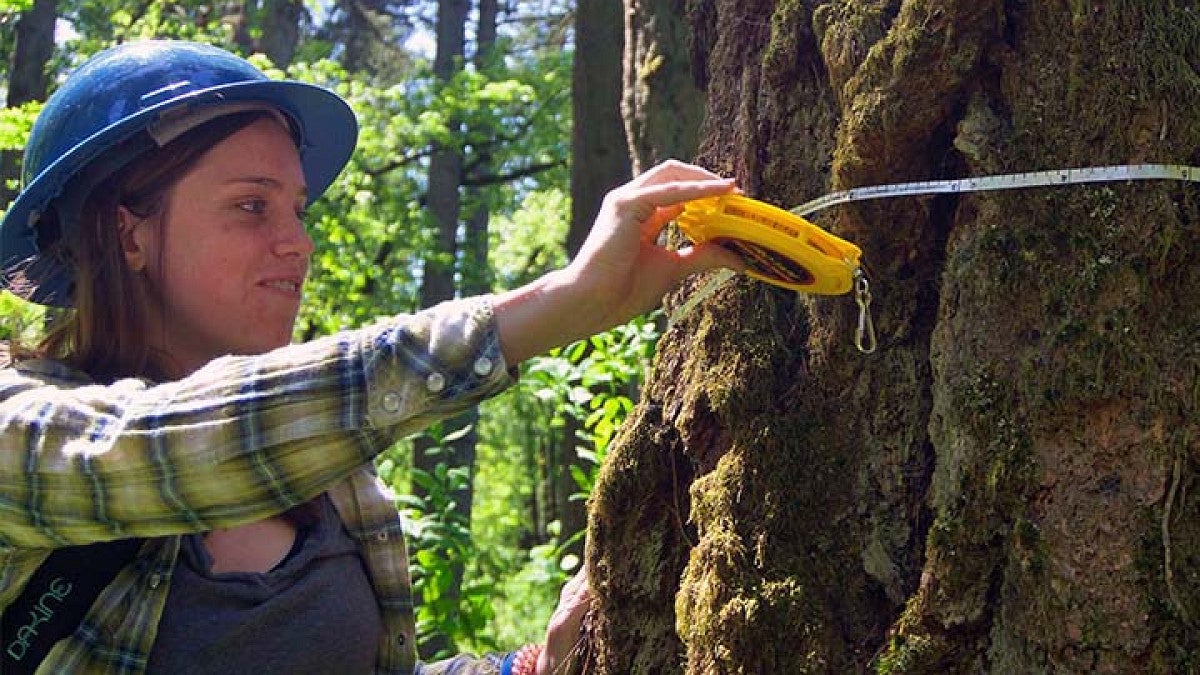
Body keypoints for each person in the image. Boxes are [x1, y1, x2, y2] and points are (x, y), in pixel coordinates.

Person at [0, 40, 741, 675]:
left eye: (297, 209)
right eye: (252, 205)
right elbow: (176, 445)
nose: (298, 242)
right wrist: (554, 306)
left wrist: (526, 665)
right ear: (128, 235)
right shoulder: (23, 436)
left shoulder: (333, 475)